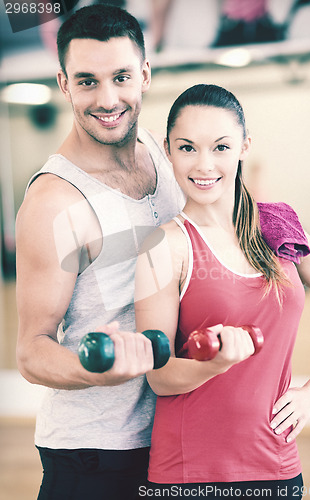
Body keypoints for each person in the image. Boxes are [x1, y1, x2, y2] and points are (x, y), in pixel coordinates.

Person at [134, 84, 310, 499]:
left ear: (244, 146)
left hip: (278, 464)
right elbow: (159, 376)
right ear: (168, 150)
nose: (204, 164)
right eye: (187, 147)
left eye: (220, 146)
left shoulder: (279, 226)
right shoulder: (165, 245)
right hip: (190, 474)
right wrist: (215, 365)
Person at [15, 5, 183, 500]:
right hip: (95, 455)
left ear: (145, 75)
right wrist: (97, 369)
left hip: (172, 437)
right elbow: (32, 351)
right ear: (64, 84)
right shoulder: (55, 201)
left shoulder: (159, 150)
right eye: (87, 81)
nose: (107, 99)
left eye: (121, 77)